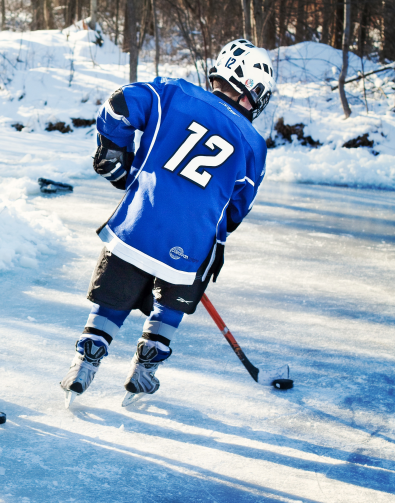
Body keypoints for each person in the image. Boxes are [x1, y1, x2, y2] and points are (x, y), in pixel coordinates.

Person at [60, 39, 277, 406]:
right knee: (183, 284)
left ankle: (84, 363)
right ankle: (144, 371)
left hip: (136, 227)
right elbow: (237, 209)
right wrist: (216, 237)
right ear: (253, 90)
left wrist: (113, 152)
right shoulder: (253, 144)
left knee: (114, 292)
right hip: (188, 246)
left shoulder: (172, 92)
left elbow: (120, 104)